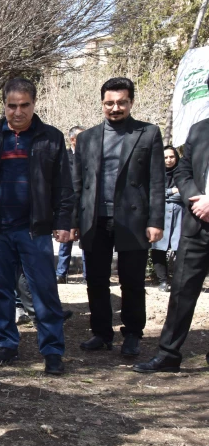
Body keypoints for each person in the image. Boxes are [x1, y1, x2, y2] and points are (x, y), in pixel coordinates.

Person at [0, 78, 74, 375]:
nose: (18, 112)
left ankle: (51, 350)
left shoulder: (50, 137)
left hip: (34, 229)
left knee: (44, 291)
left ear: (34, 104)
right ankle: (7, 344)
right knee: (1, 290)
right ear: (4, 105)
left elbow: (64, 184)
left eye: (24, 105)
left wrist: (64, 222)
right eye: (11, 106)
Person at [73, 77, 164, 358]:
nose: (115, 108)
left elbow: (157, 181)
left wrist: (156, 221)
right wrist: (74, 220)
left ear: (131, 102)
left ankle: (133, 335)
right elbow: (77, 182)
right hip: (95, 220)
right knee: (97, 281)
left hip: (134, 220)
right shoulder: (87, 138)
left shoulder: (148, 133)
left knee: (132, 282)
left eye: (121, 102)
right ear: (102, 104)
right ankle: (101, 333)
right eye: (109, 103)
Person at [134, 95, 209, 373]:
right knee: (181, 293)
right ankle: (168, 355)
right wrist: (196, 199)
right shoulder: (200, 129)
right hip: (196, 224)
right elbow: (184, 169)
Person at [56, 126, 86, 283]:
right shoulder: (64, 157)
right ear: (72, 139)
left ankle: (87, 275)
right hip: (68, 201)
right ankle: (61, 272)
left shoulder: (90, 156)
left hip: (85, 203)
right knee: (65, 238)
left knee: (87, 240)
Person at [151, 147, 183, 292]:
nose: (169, 160)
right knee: (159, 248)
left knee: (180, 248)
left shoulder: (184, 173)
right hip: (160, 214)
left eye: (171, 157)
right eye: (165, 157)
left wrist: (165, 194)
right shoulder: (155, 173)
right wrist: (172, 191)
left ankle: (179, 282)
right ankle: (162, 281)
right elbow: (152, 192)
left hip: (181, 215)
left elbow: (186, 192)